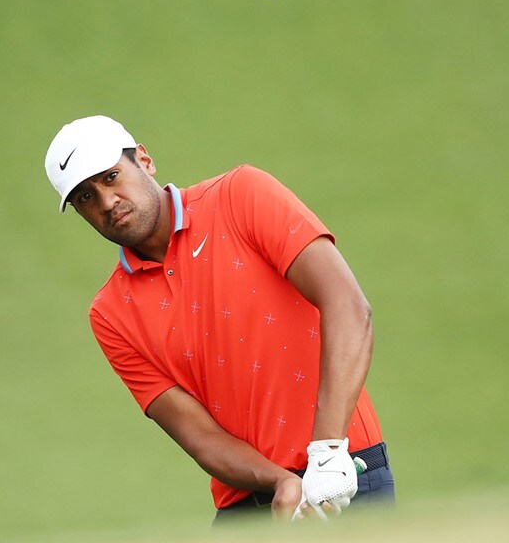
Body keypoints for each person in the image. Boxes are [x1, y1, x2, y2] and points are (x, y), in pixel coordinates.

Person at [44, 115, 395, 523]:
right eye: (85, 198)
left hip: (347, 473)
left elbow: (348, 305)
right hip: (247, 506)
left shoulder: (241, 195)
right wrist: (284, 483)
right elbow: (200, 438)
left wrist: (328, 452)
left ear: (144, 159)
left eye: (111, 177)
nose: (106, 202)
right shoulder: (110, 313)